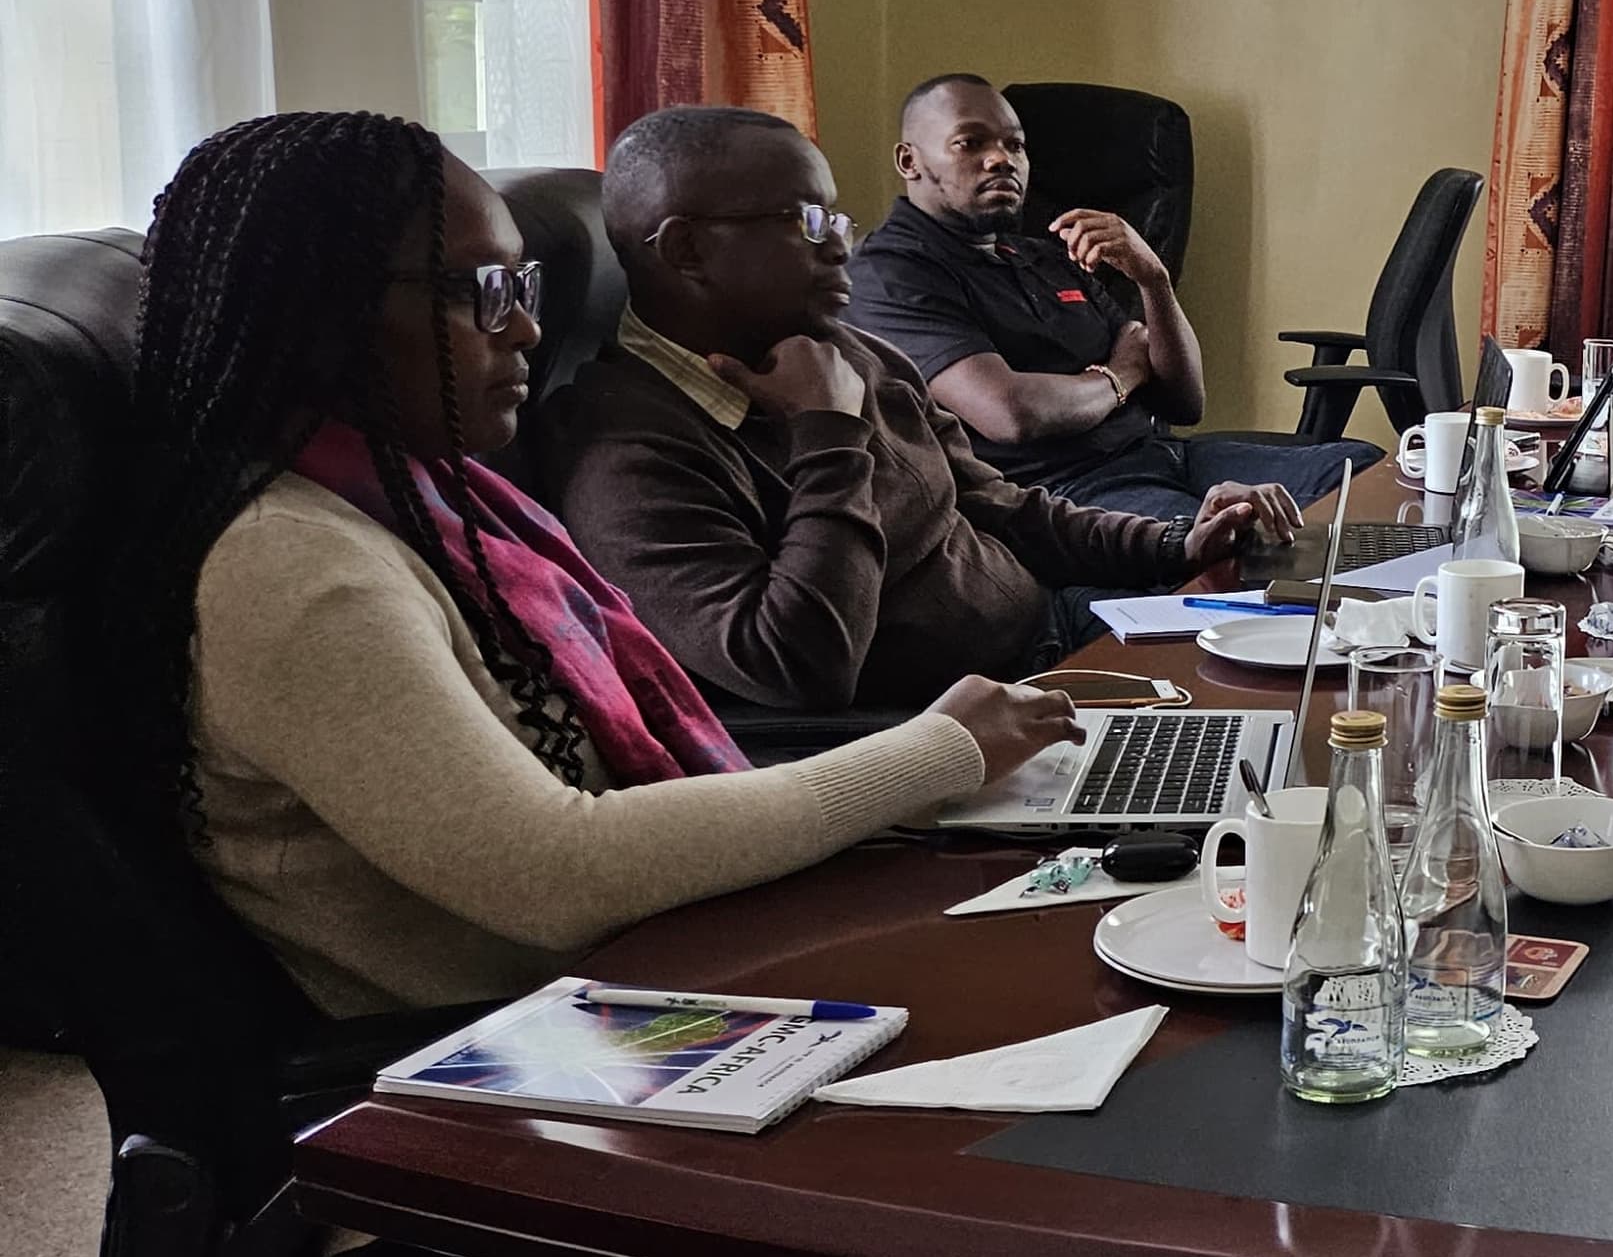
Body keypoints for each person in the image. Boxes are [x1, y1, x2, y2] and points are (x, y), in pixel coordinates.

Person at [102, 111, 1076, 1015]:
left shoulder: (434, 501)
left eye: (523, 290)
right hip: (523, 1041)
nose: (525, 327)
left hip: (634, 963)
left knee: (1076, 920)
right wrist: (936, 751)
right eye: (485, 294)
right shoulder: (296, 566)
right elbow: (554, 873)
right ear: (322, 314)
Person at [538, 105, 1287, 717]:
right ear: (687, 250)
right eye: (805, 221)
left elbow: (1000, 507)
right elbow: (797, 666)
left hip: (1052, 636)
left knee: (1301, 639)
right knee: (1270, 738)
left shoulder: (852, 353)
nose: (839, 246)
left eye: (836, 218)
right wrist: (827, 435)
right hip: (956, 731)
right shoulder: (629, 455)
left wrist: (1175, 546)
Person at [845, 73, 1372, 523]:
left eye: (1015, 145)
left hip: (1160, 455)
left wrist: (1153, 280)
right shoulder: (890, 272)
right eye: (970, 143)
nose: (1000, 160)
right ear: (909, 160)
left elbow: (1185, 401)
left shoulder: (1040, 253)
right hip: (1069, 495)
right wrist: (1119, 377)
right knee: (1239, 544)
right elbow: (1011, 412)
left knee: (1362, 476)